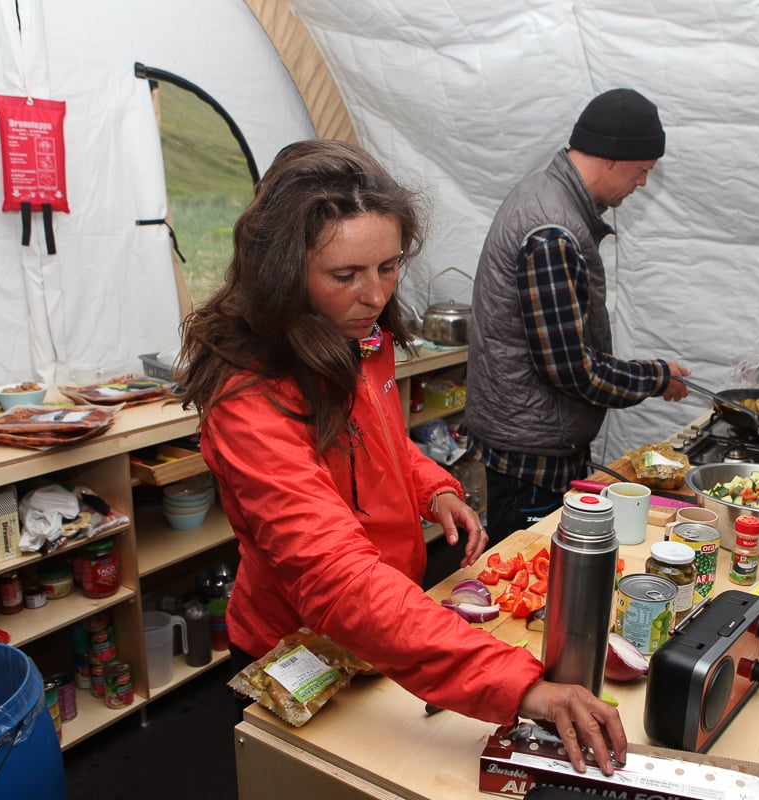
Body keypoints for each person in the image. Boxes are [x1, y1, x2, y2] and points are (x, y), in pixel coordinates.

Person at [178, 140, 626, 775]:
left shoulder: (361, 338)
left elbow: (380, 441)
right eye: (345, 276)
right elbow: (336, 579)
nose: (375, 295)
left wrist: (433, 487)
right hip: (301, 637)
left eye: (389, 267)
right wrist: (516, 685)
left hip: (388, 619)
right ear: (280, 272)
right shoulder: (249, 401)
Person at [466, 88, 692, 543]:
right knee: (529, 570)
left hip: (531, 437)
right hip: (530, 454)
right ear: (612, 157)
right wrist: (654, 376)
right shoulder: (552, 229)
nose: (643, 183)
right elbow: (572, 369)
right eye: (642, 170)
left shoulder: (545, 194)